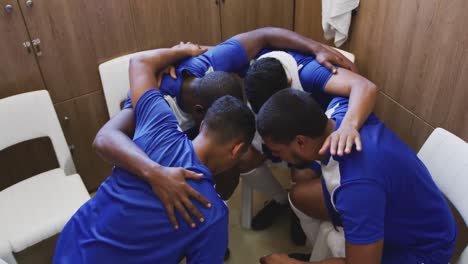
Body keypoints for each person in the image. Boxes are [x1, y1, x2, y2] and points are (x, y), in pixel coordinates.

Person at [93, 27, 372, 231]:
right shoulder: (150, 102)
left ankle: (277, 203)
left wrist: (315, 47)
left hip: (201, 146)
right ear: (201, 114)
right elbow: (105, 138)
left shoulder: (210, 63)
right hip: (154, 159)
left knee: (242, 158)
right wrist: (156, 173)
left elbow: (264, 34)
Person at [53, 44, 256, 263]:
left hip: (71, 245)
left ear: (204, 121)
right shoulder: (211, 215)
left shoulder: (159, 125)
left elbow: (139, 62)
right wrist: (154, 173)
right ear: (236, 149)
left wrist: (183, 50)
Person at [257, 89, 457, 264]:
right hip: (404, 211)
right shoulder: (341, 113)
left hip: (423, 251)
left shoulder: (356, 189)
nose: (277, 157)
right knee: (299, 195)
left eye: (277, 151)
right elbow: (359, 85)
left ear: (301, 142)